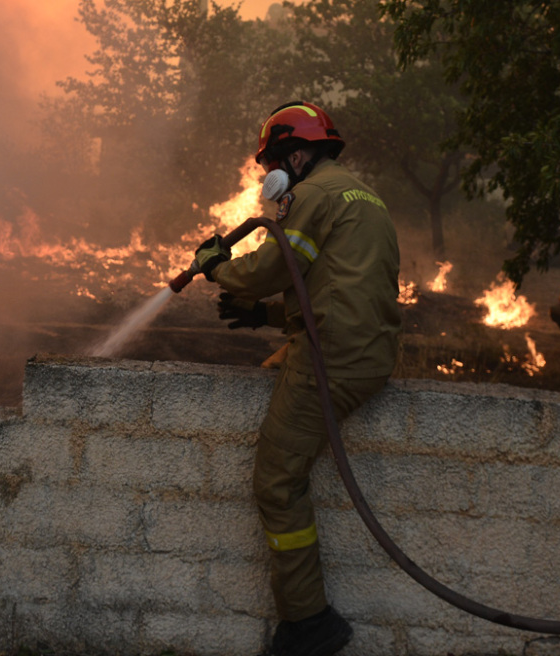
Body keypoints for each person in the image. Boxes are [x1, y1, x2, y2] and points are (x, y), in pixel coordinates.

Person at [192, 101, 401, 656]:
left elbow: (270, 268)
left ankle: (309, 624)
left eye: (271, 164)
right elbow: (338, 287)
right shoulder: (364, 196)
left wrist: (216, 266)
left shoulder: (308, 197)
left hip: (330, 362)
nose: (268, 177)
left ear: (297, 156)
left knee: (277, 482)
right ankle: (309, 621)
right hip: (367, 355)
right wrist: (265, 317)